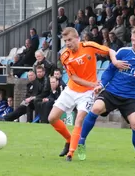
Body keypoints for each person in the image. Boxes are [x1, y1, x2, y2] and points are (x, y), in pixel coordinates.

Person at [77, 26, 135, 163]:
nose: (133, 43)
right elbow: (109, 70)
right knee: (95, 108)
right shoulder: (123, 52)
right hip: (112, 92)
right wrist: (102, 85)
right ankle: (81, 142)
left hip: (130, 97)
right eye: (132, 40)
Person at [48, 27, 128, 161]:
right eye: (65, 40)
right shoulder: (64, 56)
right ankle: (69, 140)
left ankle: (71, 153)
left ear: (77, 38)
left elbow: (110, 50)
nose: (68, 43)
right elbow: (73, 77)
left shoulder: (89, 46)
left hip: (87, 93)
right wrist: (92, 84)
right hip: (71, 89)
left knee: (79, 119)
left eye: (70, 40)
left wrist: (114, 61)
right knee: (52, 118)